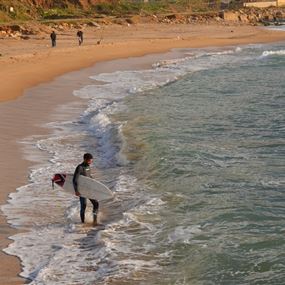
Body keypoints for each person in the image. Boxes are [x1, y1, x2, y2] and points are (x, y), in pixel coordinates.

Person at [73, 153, 100, 226]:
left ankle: (95, 221)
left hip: (89, 189)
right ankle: (82, 223)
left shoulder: (88, 166)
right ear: (85, 159)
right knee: (84, 205)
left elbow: (89, 176)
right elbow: (74, 180)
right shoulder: (80, 167)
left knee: (96, 203)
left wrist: (95, 184)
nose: (91, 162)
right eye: (89, 161)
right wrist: (76, 190)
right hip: (82, 190)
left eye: (91, 160)